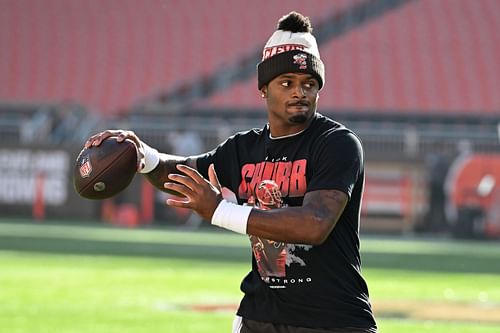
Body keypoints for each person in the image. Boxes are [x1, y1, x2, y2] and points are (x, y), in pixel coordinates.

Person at [85, 11, 377, 333]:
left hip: (332, 320)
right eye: (287, 83)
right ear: (263, 89)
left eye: (309, 84)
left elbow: (315, 224)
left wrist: (221, 212)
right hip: (260, 315)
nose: (300, 92)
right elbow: (184, 172)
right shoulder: (243, 149)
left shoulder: (337, 143)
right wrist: (144, 156)